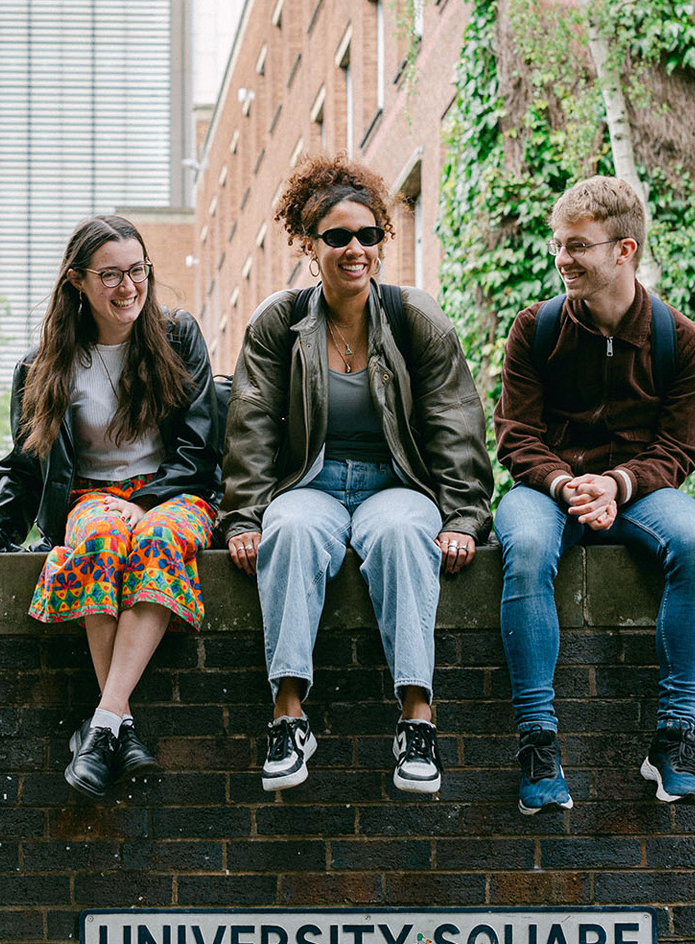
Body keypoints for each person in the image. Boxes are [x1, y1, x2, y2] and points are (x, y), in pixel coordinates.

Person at [220, 155, 492, 795]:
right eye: (338, 236)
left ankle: (417, 721)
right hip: (309, 483)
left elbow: (455, 418)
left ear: (381, 241)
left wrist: (463, 517)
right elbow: (251, 425)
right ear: (308, 244)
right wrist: (244, 517)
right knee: (288, 534)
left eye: (368, 235)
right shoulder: (280, 322)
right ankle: (289, 718)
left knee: (403, 536)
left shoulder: (413, 316)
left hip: (395, 483)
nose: (355, 249)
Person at [0, 215, 220, 800]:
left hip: (175, 491)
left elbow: (200, 444)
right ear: (77, 281)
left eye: (137, 270)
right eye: (110, 275)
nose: (128, 286)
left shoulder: (178, 335)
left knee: (159, 539)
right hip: (91, 497)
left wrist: (149, 502)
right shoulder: (42, 367)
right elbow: (25, 469)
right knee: (99, 540)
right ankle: (121, 726)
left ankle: (103, 723)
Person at [493, 176, 695, 813]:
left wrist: (619, 483)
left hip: (639, 490)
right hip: (547, 488)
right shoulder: (534, 329)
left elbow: (679, 449)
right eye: (558, 245)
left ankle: (674, 740)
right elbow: (514, 435)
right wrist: (566, 483)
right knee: (526, 547)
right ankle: (538, 743)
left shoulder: (681, 340)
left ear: (624, 251)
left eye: (578, 246)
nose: (562, 258)